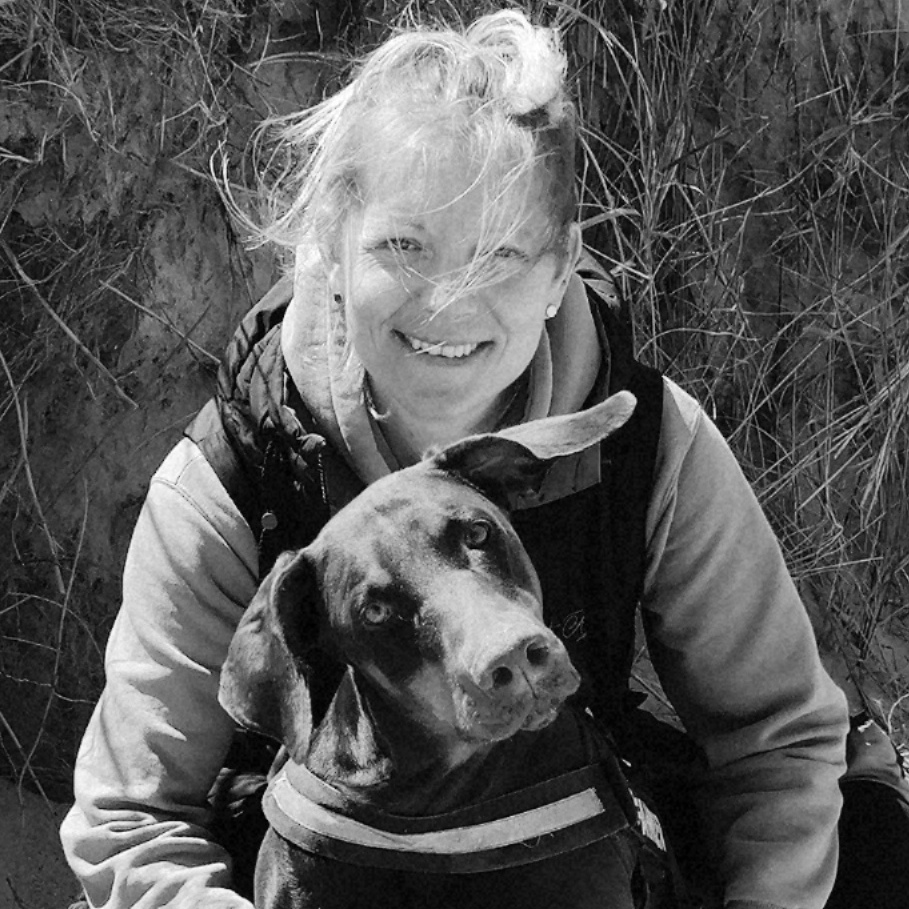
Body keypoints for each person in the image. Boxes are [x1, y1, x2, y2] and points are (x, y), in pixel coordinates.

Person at [58, 9, 905, 909]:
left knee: (869, 847)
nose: (448, 302)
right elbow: (132, 817)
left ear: (561, 267)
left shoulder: (650, 443)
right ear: (331, 248)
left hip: (561, 834)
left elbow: (777, 742)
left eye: (500, 253)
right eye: (403, 246)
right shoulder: (228, 475)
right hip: (333, 860)